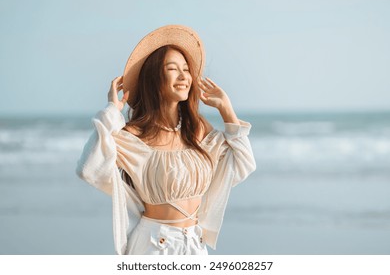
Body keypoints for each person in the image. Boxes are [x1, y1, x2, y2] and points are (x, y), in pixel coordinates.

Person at [76, 25, 256, 255]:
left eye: (186, 69)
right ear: (154, 78)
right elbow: (88, 168)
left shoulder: (198, 129)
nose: (184, 76)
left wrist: (227, 111)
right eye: (173, 69)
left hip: (194, 245)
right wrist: (112, 112)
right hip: (153, 246)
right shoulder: (134, 135)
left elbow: (243, 165)